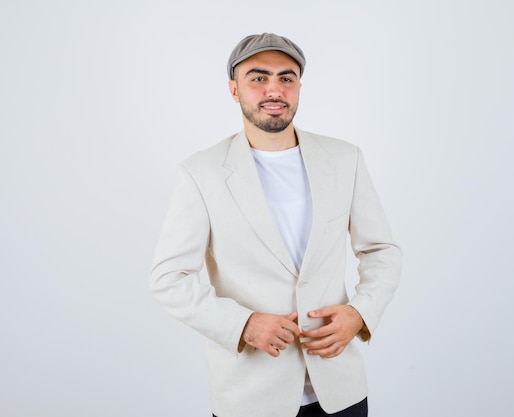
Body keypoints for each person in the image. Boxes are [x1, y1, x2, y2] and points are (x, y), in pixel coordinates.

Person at [150, 32, 402, 417]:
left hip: (340, 391)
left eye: (286, 78)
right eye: (258, 77)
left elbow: (381, 250)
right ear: (235, 90)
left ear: (299, 87)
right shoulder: (201, 173)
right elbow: (170, 278)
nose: (274, 89)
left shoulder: (344, 158)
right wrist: (242, 324)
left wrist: (360, 313)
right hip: (250, 397)